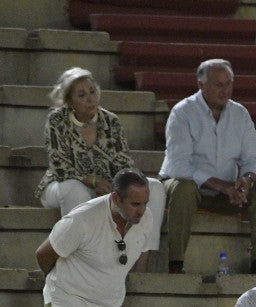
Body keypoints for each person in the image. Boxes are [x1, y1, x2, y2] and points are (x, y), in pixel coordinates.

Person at [36, 68, 164, 270]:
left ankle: (141, 261)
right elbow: (60, 166)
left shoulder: (111, 120)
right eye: (82, 95)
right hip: (61, 184)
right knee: (74, 190)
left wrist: (116, 187)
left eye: (92, 92)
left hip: (107, 186)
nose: (90, 99)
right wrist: (93, 181)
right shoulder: (57, 120)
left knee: (155, 187)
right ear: (69, 100)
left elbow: (123, 162)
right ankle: (77, 259)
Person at [159, 59, 256, 275]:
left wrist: (246, 181)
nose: (225, 91)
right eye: (218, 85)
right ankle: (176, 264)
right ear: (201, 84)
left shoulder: (240, 114)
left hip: (226, 193)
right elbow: (179, 164)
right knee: (183, 187)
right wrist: (220, 185)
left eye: (229, 84)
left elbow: (253, 160)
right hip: (185, 187)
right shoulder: (183, 112)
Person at [35, 167, 156, 307]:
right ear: (116, 199)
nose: (141, 210)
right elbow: (44, 254)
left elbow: (138, 252)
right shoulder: (83, 218)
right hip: (69, 304)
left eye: (145, 203)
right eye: (135, 204)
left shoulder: (146, 218)